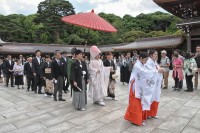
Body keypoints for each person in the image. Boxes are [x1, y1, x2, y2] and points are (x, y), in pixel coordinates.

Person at [124, 52, 164, 126]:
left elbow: (148, 71)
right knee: (136, 103)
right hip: (136, 86)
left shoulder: (142, 64)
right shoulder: (137, 65)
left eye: (147, 59)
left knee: (140, 102)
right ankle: (136, 119)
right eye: (145, 59)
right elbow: (144, 73)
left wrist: (157, 70)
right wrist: (156, 71)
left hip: (140, 85)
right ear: (140, 58)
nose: (146, 61)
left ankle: (137, 118)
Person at [146, 50, 163, 119]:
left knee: (156, 97)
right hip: (151, 84)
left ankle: (153, 113)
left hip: (156, 83)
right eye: (155, 54)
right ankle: (148, 113)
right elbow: (148, 72)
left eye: (157, 54)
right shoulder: (148, 62)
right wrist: (157, 71)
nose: (156, 55)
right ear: (151, 55)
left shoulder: (155, 62)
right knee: (150, 98)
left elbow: (157, 68)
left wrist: (160, 69)